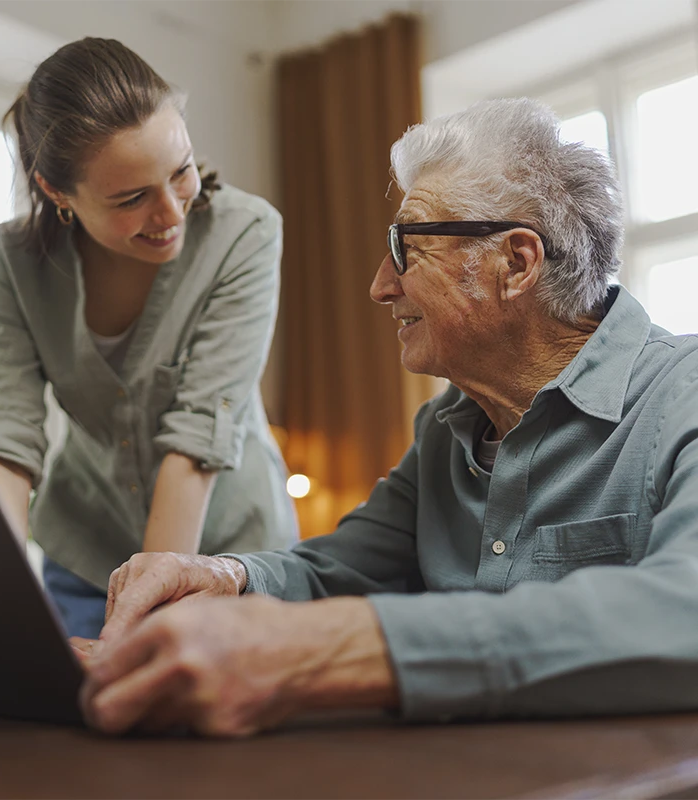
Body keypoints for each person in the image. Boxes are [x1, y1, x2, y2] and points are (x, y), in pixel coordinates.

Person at [76, 97, 698, 737]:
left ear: (515, 263)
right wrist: (224, 577)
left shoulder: (685, 394)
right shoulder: (443, 430)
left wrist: (333, 651)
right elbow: (339, 571)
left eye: (407, 247)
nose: (380, 285)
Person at [0, 38, 297, 640]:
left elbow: (197, 438)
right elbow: (7, 440)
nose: (171, 212)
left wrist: (143, 622)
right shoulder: (18, 262)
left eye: (182, 172)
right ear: (56, 193)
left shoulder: (243, 235)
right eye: (132, 198)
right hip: (86, 557)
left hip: (233, 562)